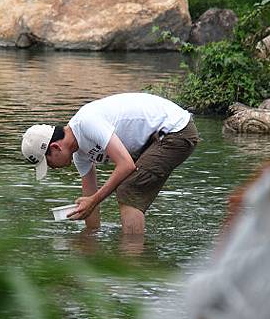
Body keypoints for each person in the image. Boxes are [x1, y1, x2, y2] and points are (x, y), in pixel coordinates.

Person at [21, 92, 199, 234]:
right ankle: (134, 254)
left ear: (55, 147)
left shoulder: (86, 123)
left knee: (129, 189)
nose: (51, 167)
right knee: (128, 189)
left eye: (48, 162)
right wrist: (90, 236)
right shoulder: (80, 155)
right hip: (155, 140)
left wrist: (93, 200)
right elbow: (90, 201)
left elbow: (126, 165)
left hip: (175, 130)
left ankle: (130, 261)